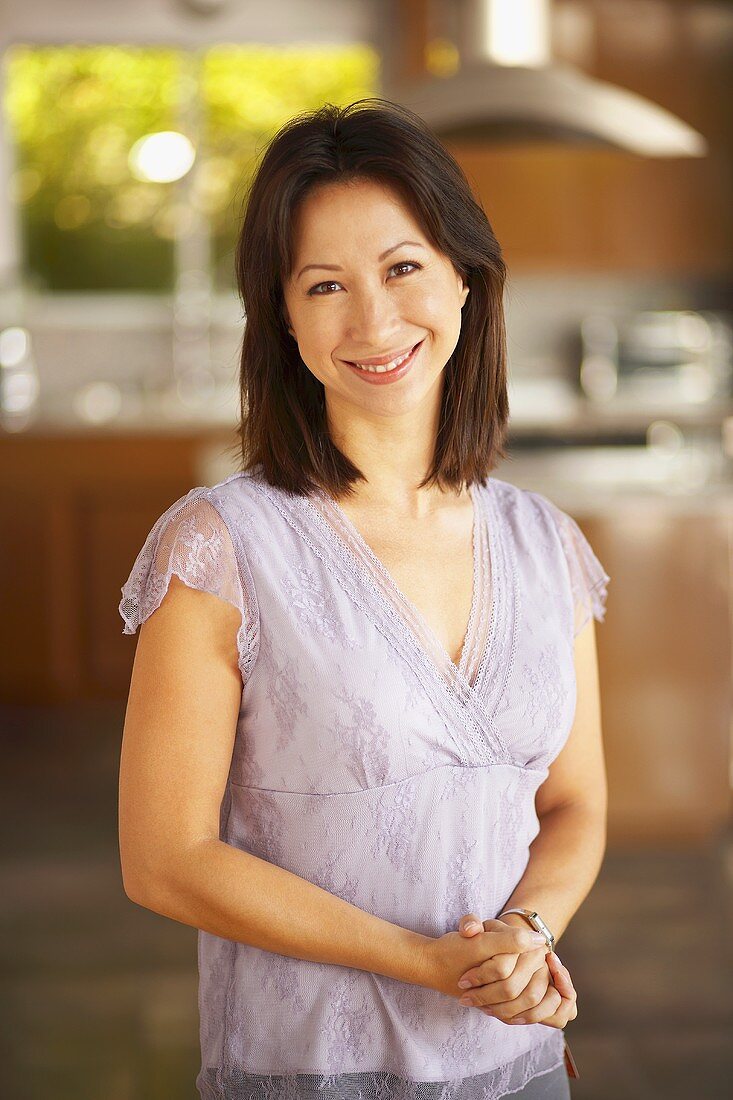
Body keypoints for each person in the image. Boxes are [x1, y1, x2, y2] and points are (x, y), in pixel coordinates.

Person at [118, 98, 609, 1100]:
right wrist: (422, 959)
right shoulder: (221, 545)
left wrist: (527, 930)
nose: (374, 321)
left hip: (515, 1066)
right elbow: (165, 859)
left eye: (402, 268)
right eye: (325, 284)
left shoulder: (544, 542)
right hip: (308, 1069)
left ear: (464, 281)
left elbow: (573, 802)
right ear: (283, 315)